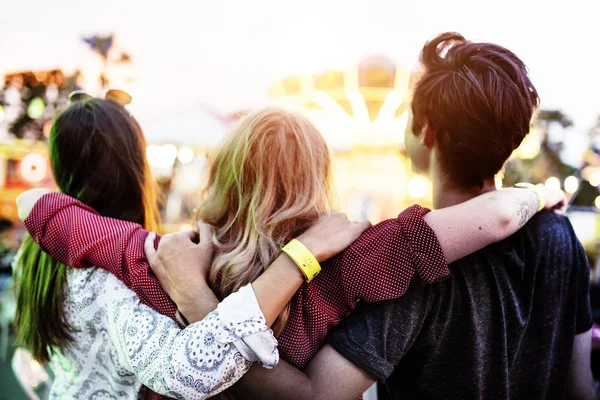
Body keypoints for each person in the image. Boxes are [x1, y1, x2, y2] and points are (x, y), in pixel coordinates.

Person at [18, 100, 565, 379]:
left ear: (226, 172)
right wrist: (541, 194)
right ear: (317, 177)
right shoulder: (353, 264)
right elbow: (493, 219)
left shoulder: (159, 258)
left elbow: (41, 210)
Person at [190, 32, 591, 399]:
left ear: (426, 130)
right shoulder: (560, 236)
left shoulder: (410, 266)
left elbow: (315, 394)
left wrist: (201, 310)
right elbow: (580, 387)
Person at [13, 97, 370, 400]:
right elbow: (185, 370)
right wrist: (298, 258)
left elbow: (36, 203)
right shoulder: (121, 275)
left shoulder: (36, 254)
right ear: (138, 168)